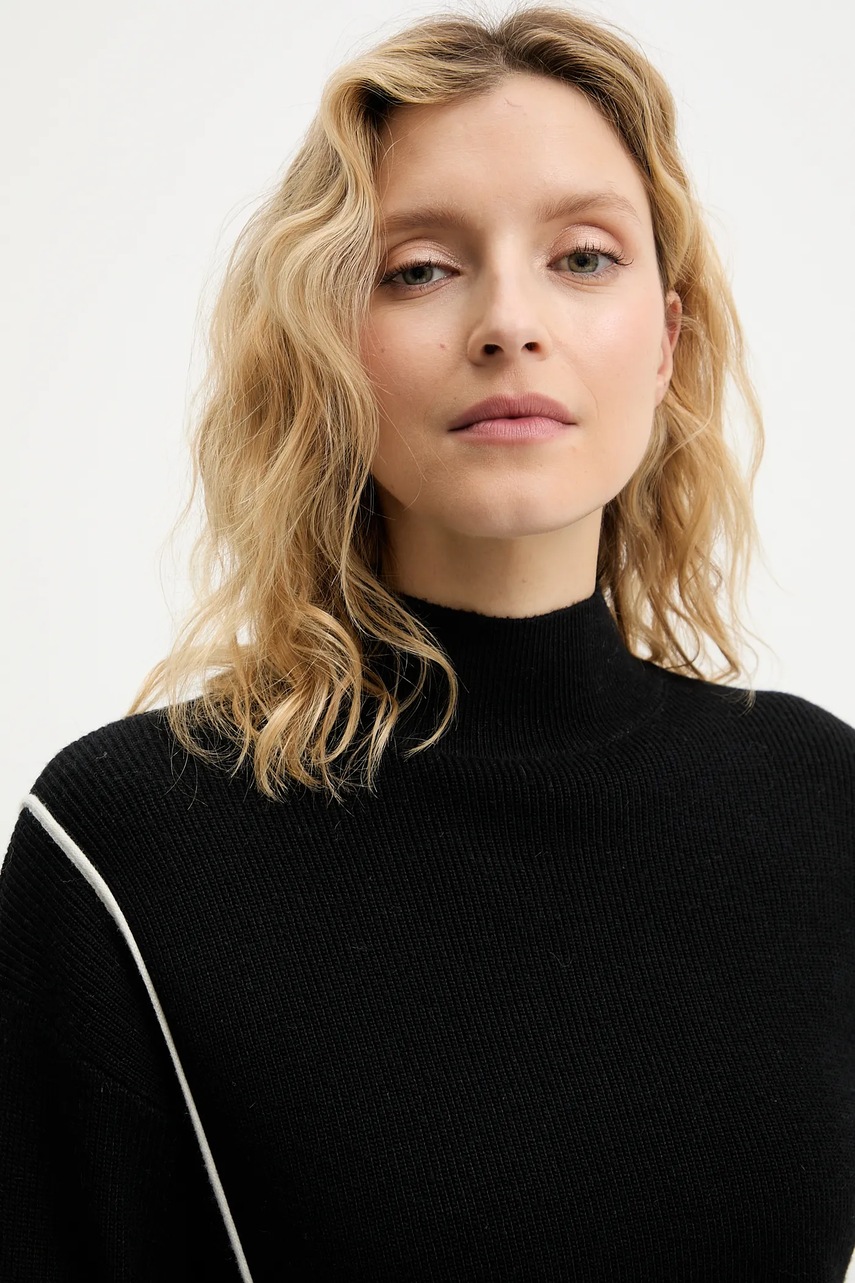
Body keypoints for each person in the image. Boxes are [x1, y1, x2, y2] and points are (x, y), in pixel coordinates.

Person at [1, 4, 853, 1280]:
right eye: (418, 269)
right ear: (331, 344)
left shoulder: (822, 806)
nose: (510, 321)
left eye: (582, 256)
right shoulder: (128, 847)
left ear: (667, 343)